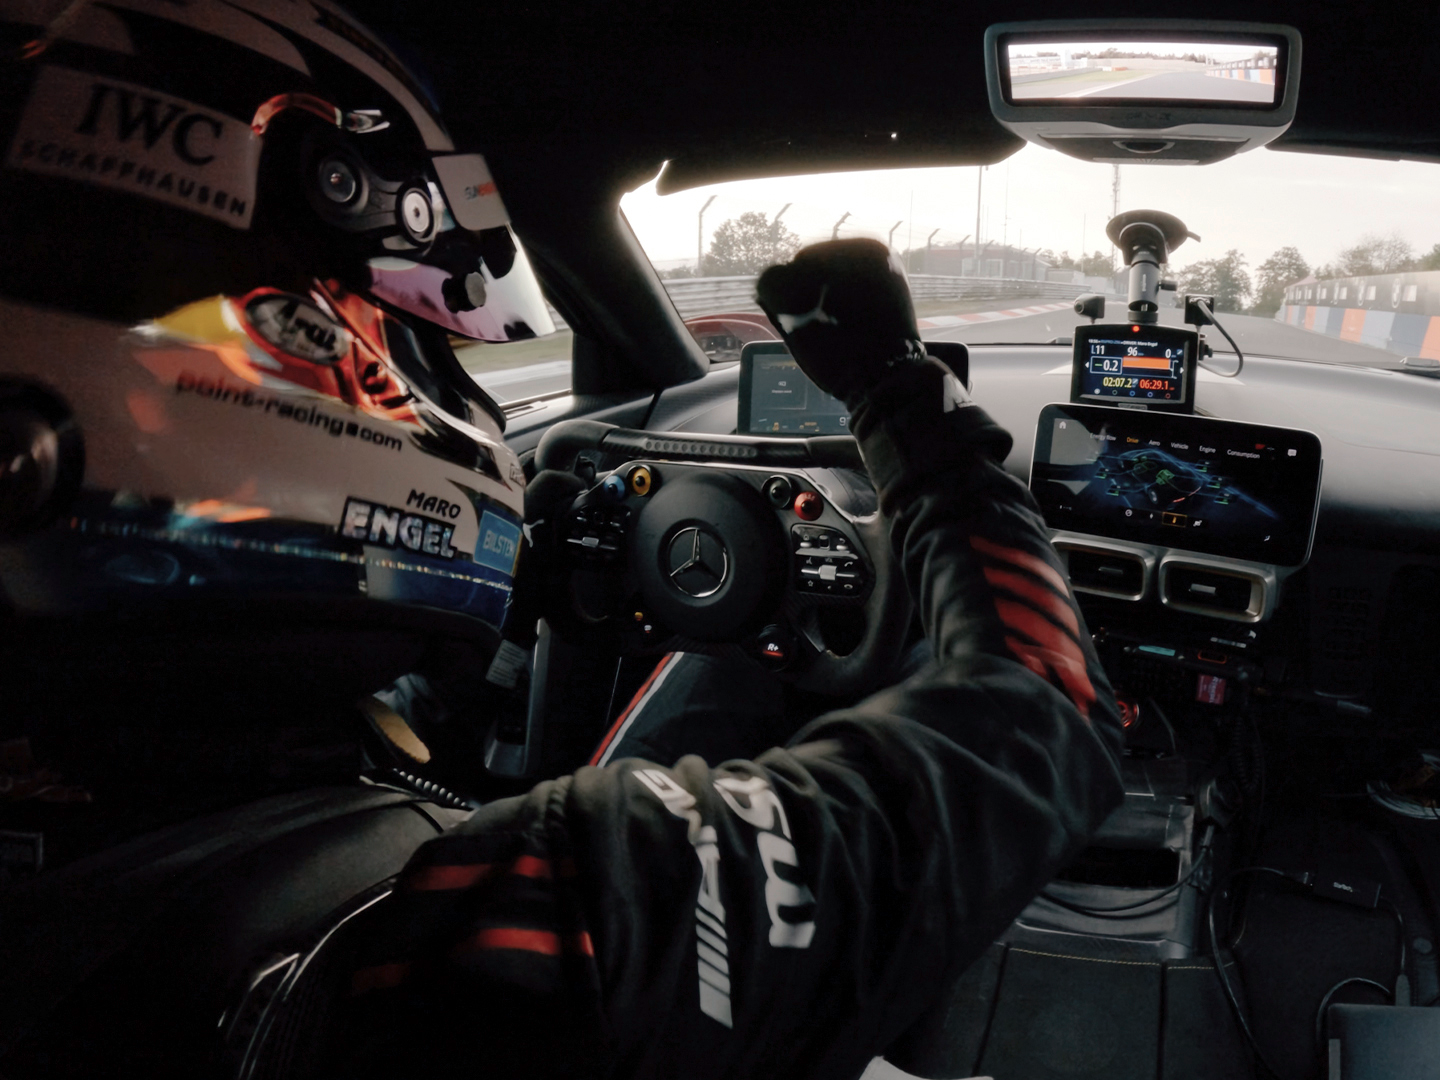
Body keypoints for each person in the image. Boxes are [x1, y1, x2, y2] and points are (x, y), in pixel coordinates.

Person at [340, 239, 1126, 1078]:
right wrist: (903, 397)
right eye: (397, 367)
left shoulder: (353, 841)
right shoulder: (579, 883)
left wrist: (485, 641)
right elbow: (1050, 715)